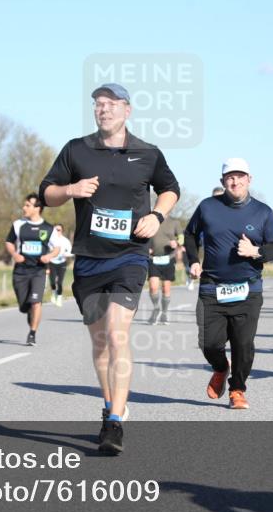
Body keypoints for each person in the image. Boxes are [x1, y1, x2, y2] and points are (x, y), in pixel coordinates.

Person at [40, 83, 179, 454]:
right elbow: (46, 194)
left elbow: (170, 188)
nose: (103, 110)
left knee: (118, 334)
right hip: (88, 259)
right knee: (100, 343)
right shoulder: (76, 149)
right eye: (98, 104)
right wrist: (71, 189)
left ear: (127, 111)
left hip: (130, 256)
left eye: (111, 104)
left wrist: (156, 214)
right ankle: (109, 405)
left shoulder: (147, 153)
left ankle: (114, 422)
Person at [184, 158, 273, 409]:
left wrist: (255, 251)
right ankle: (220, 367)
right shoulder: (207, 207)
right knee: (209, 342)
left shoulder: (263, 212)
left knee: (243, 344)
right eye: (230, 176)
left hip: (248, 288)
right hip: (211, 287)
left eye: (240, 176)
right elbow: (190, 234)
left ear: (250, 179)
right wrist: (194, 260)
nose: (235, 180)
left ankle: (237, 389)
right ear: (222, 181)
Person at [5, 194, 61, 345]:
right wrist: (14, 254)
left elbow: (57, 248)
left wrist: (48, 257)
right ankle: (28, 310)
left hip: (39, 271)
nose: (24, 208)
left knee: (36, 302)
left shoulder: (48, 229)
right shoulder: (18, 225)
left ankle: (32, 333)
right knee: (24, 306)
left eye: (27, 205)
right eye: (24, 205)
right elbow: (9, 242)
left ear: (38, 208)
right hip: (20, 271)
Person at [146, 213, 184, 325]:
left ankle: (164, 313)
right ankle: (156, 308)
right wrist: (145, 248)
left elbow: (181, 237)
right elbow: (143, 236)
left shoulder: (174, 222)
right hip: (153, 259)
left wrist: (177, 242)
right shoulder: (151, 220)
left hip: (168, 258)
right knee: (153, 287)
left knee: (166, 288)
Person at [48, 224, 73, 307]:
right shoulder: (49, 240)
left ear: (62, 231)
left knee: (59, 282)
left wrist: (65, 254)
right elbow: (45, 250)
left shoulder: (65, 241)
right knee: (52, 282)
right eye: (55, 230)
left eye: (58, 230)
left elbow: (71, 252)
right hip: (52, 262)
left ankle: (59, 297)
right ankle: (53, 293)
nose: (57, 231)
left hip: (62, 262)